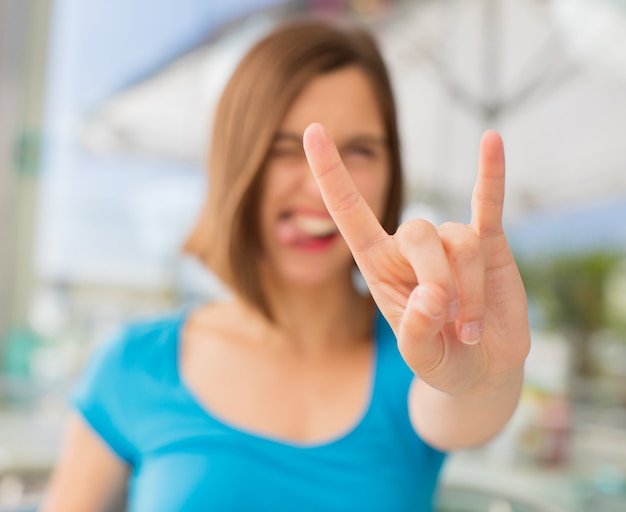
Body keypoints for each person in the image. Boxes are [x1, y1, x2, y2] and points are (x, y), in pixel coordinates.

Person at [41, 17, 530, 512]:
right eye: (283, 147)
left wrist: (488, 379)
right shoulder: (133, 365)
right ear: (234, 163)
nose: (321, 185)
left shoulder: (422, 352)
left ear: (391, 174)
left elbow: (462, 399)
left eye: (358, 151)